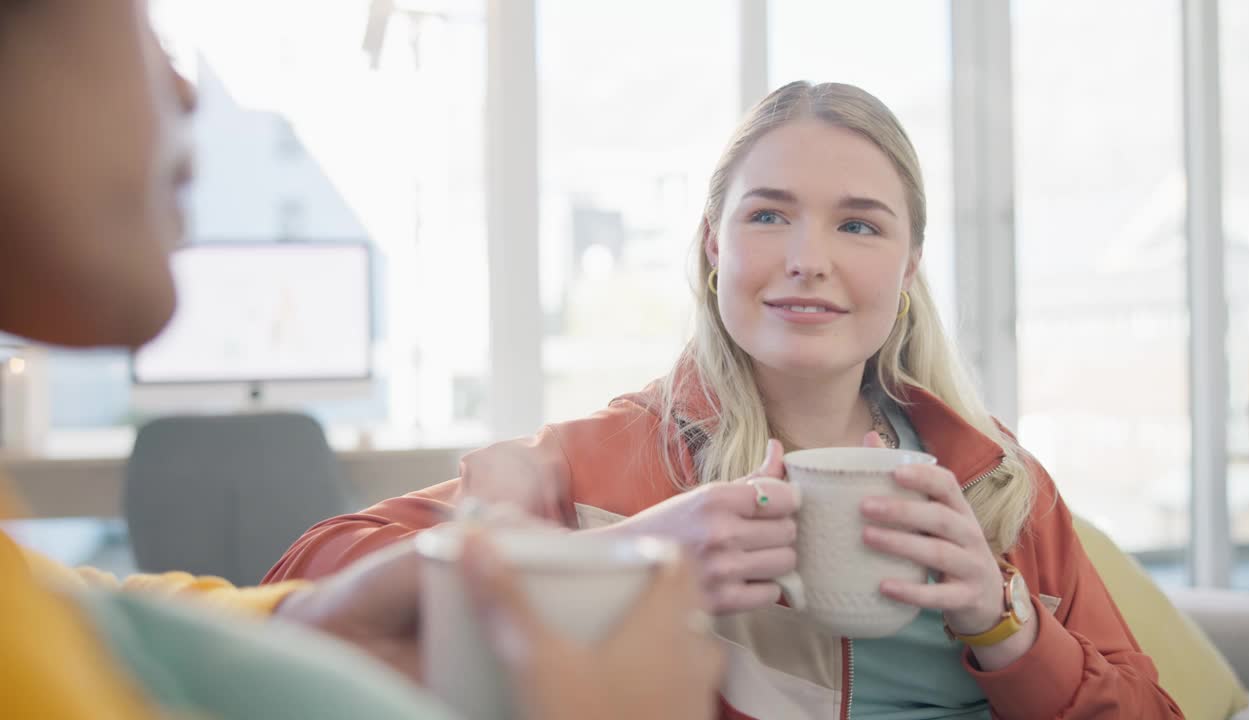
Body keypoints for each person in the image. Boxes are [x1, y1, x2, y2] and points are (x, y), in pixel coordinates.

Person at [269, 80, 1186, 719]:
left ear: (908, 268)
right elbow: (301, 586)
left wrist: (1005, 622)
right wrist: (627, 558)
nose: (806, 259)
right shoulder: (603, 459)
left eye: (858, 224)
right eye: (768, 214)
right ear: (713, 247)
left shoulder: (995, 479)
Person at [0, 1, 722, 718]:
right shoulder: (611, 443)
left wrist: (296, 623)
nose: (184, 87)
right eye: (134, 17)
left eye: (845, 222)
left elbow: (64, 607)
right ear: (712, 247)